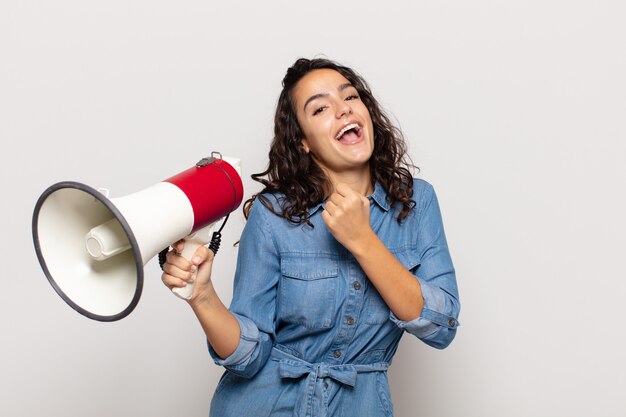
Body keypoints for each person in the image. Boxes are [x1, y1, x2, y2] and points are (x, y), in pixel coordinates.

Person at [161, 57, 460, 417]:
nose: (342, 110)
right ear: (302, 141)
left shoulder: (416, 202)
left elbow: (441, 326)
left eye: (350, 97)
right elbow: (248, 358)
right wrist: (203, 296)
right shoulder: (273, 215)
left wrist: (363, 240)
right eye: (320, 108)